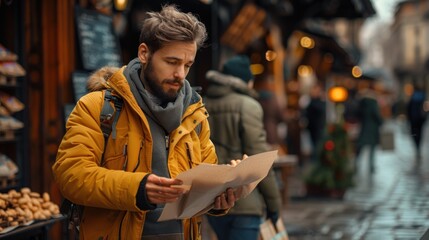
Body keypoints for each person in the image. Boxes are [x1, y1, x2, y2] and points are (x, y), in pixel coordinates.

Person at [52, 5, 240, 239]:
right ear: (144, 53)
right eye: (172, 62)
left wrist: (219, 199)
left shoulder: (196, 115)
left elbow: (203, 183)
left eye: (187, 65)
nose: (181, 74)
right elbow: (71, 176)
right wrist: (137, 189)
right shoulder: (97, 107)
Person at [203, 55, 282, 240]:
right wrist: (274, 204)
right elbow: (259, 161)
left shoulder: (201, 103)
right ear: (247, 82)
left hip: (212, 199)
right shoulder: (248, 106)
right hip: (245, 200)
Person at [355, 82, 383, 174]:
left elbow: (358, 114)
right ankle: (371, 166)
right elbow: (376, 115)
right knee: (372, 148)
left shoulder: (362, 101)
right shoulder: (373, 102)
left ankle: (356, 164)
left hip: (364, 127)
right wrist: (381, 122)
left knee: (361, 146)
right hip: (372, 128)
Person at [304, 83, 326, 162]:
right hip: (313, 129)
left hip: (319, 128)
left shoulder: (319, 102)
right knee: (315, 148)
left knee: (318, 148)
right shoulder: (310, 101)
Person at [406, 83, 427, 160]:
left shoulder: (412, 98)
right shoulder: (423, 97)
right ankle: (418, 147)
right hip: (421, 120)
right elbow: (426, 109)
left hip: (413, 120)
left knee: (414, 134)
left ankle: (416, 147)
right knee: (420, 134)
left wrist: (408, 119)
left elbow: (408, 109)